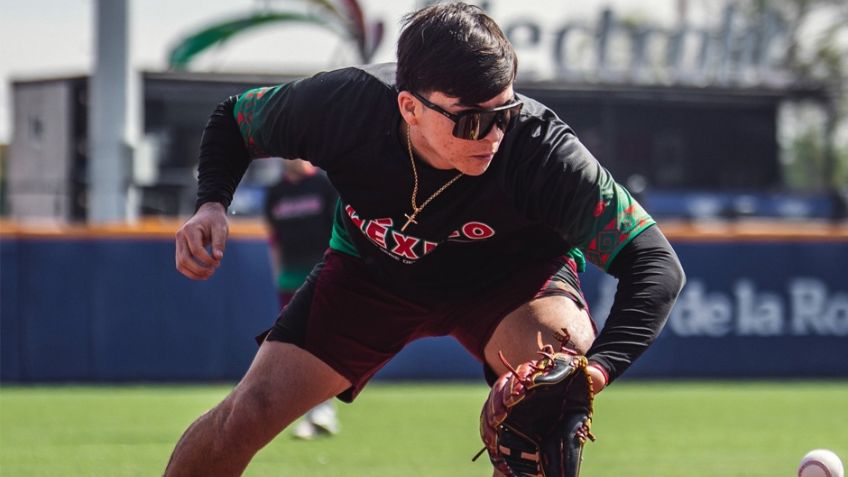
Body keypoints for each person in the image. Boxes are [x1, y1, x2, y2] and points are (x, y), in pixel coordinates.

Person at [168, 3, 685, 476]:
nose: (493, 134)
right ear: (410, 108)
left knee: (550, 395)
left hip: (513, 285)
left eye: (503, 112)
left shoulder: (541, 151)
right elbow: (234, 121)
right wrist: (211, 202)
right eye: (471, 120)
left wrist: (592, 375)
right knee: (246, 415)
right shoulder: (344, 106)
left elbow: (656, 264)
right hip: (371, 277)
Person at [262, 158, 339, 439]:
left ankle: (320, 409)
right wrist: (277, 274)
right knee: (296, 345)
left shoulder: (324, 185)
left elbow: (340, 231)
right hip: (290, 277)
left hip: (322, 273)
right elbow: (275, 237)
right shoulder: (276, 191)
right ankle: (316, 410)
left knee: (318, 341)